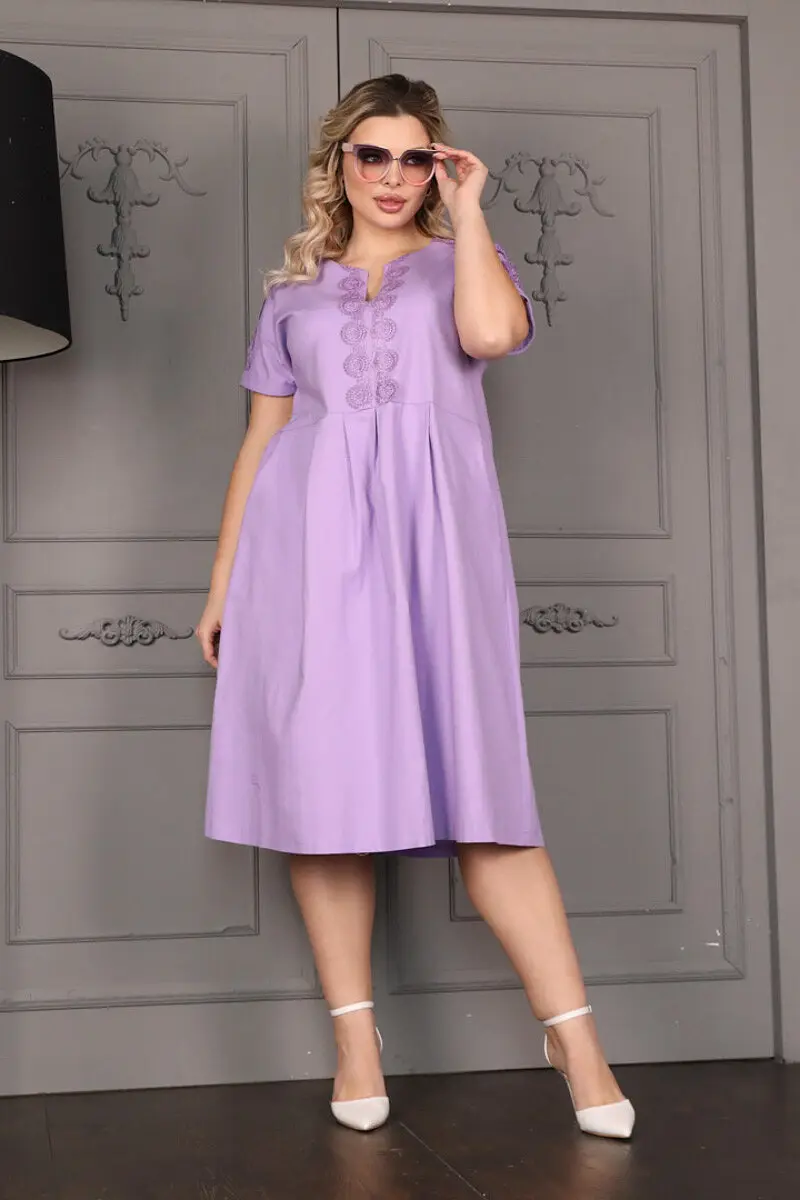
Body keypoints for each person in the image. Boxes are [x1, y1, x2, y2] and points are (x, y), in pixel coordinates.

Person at [197, 73, 634, 1140]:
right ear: (338, 165)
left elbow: (485, 338)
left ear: (436, 168)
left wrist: (471, 210)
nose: (391, 177)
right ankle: (355, 1042)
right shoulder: (291, 298)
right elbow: (261, 443)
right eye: (371, 155)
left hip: (437, 555)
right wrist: (223, 586)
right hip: (306, 561)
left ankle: (575, 1042)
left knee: (486, 801)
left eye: (413, 158)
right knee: (322, 802)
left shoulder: (462, 262)